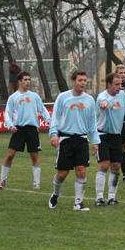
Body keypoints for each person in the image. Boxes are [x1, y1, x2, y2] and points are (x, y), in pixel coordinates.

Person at [48, 70, 100, 211]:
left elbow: (92, 122)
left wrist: (95, 141)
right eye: (80, 80)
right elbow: (55, 117)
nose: (83, 83)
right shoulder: (63, 97)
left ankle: (78, 203)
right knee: (62, 173)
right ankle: (55, 194)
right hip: (65, 139)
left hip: (82, 139)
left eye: (85, 80)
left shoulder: (89, 99)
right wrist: (53, 134)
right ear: (73, 81)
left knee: (81, 170)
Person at [0, 71, 50, 190]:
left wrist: (47, 119)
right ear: (19, 82)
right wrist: (10, 125)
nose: (27, 82)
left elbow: (43, 109)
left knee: (34, 155)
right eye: (25, 80)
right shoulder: (13, 98)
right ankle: (2, 180)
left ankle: (36, 183)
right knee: (10, 155)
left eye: (29, 80)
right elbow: (7, 113)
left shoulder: (34, 96)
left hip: (32, 130)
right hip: (18, 129)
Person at [95, 73, 125, 206]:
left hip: (116, 135)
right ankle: (99, 198)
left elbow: (124, 108)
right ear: (109, 84)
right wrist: (104, 104)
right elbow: (102, 102)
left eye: (120, 84)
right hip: (102, 135)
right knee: (104, 164)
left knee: (116, 166)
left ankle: (112, 197)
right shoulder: (102, 96)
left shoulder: (122, 95)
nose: (119, 87)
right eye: (116, 84)